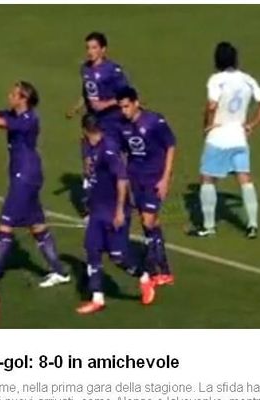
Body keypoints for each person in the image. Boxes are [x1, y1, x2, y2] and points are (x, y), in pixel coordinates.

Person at [0, 76, 68, 288]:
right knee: (37, 226)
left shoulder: (28, 119)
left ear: (24, 99)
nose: (9, 96)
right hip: (27, 175)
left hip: (25, 175)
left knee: (5, 224)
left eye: (13, 94)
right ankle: (59, 271)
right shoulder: (16, 114)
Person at [193, 42, 260, 239]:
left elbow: (212, 105)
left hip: (218, 137)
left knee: (207, 179)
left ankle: (209, 226)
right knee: (245, 178)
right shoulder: (247, 79)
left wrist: (207, 125)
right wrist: (251, 125)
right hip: (239, 137)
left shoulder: (216, 80)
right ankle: (252, 225)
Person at [116, 86, 176, 305]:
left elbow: (170, 146)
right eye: (121, 107)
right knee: (149, 223)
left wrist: (165, 178)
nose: (124, 111)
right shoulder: (122, 126)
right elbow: (124, 152)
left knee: (148, 220)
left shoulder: (154, 121)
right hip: (136, 178)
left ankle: (153, 267)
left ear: (136, 103)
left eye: (126, 106)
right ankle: (163, 269)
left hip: (154, 178)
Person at [66, 32, 131, 225]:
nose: (90, 51)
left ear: (103, 49)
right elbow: (87, 91)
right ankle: (92, 206)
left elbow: (125, 95)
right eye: (88, 48)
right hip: (93, 123)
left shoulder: (113, 70)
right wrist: (77, 106)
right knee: (89, 161)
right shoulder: (85, 69)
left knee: (111, 162)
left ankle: (119, 202)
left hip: (112, 123)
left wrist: (106, 104)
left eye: (94, 48)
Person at [77, 115, 130, 314]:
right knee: (92, 249)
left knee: (118, 258)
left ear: (85, 129)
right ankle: (97, 297)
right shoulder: (88, 145)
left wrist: (119, 210)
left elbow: (122, 179)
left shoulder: (109, 149)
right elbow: (90, 172)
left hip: (111, 208)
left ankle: (143, 276)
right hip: (97, 208)